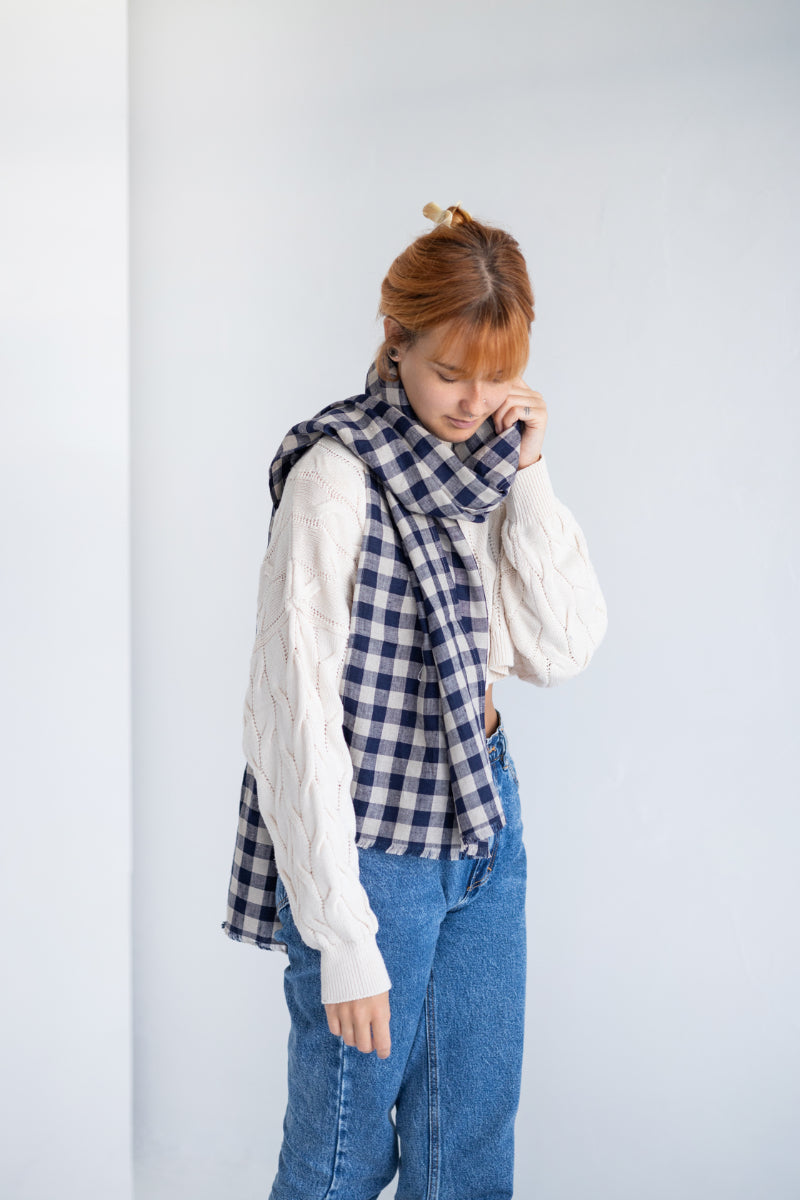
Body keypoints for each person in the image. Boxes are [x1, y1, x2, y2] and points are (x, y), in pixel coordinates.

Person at [222, 201, 608, 1200]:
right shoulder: (334, 475)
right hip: (373, 849)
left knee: (468, 1145)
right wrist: (341, 935)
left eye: (494, 376)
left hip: (485, 820)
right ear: (391, 341)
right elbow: (289, 711)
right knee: (340, 1156)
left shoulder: (483, 465)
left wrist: (528, 470)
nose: (471, 400)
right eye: (448, 372)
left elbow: (559, 648)